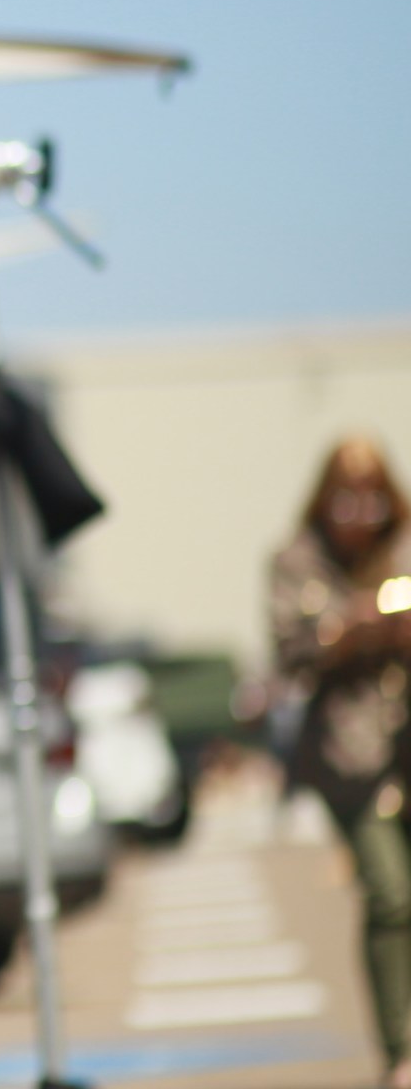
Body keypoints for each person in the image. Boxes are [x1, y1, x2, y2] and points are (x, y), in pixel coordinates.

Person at [271, 436, 411, 1088]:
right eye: (346, 496)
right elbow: (290, 648)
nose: (361, 510)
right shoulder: (298, 561)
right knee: (389, 892)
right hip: (349, 753)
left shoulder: (405, 549)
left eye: (373, 495)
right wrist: (350, 631)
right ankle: (400, 1049)